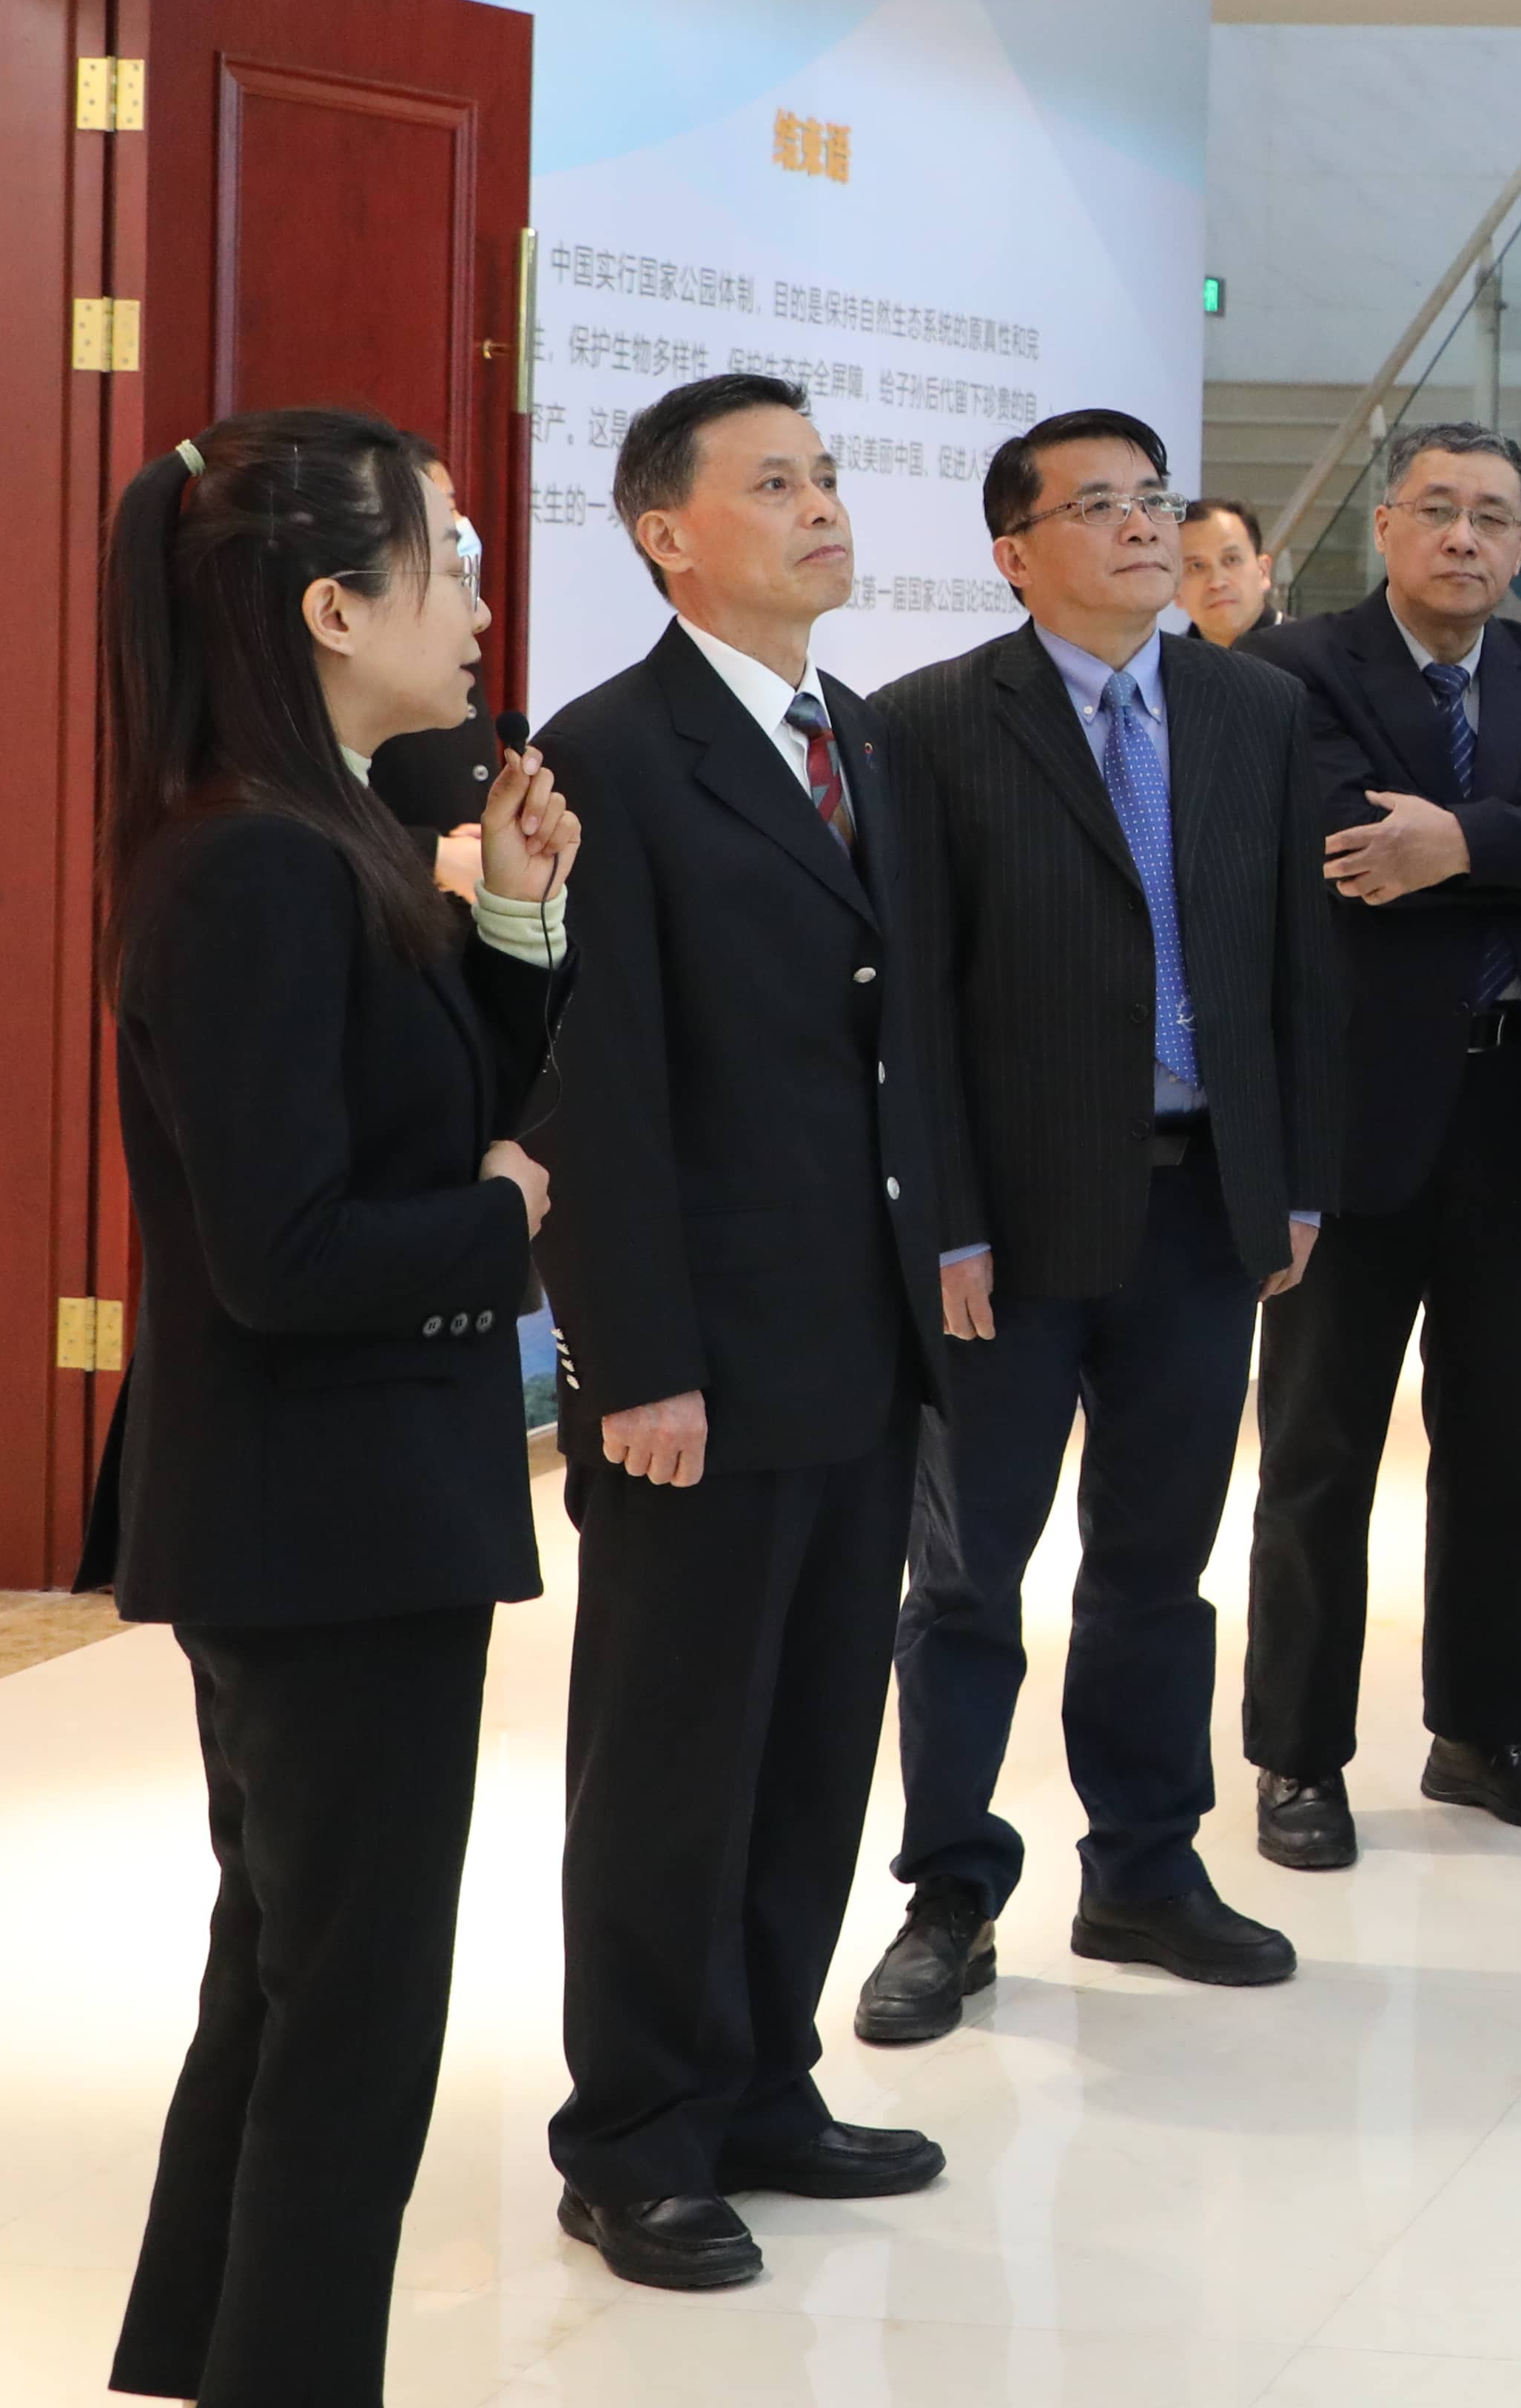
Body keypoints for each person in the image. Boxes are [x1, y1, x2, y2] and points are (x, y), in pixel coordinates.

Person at [84, 414, 571, 2404]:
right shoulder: (254, 866)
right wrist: (502, 1216)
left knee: (291, 1978)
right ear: (333, 610)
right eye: (447, 560)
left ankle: (206, 2359)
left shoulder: (332, 833)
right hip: (322, 1517)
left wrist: (513, 923)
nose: (476, 603)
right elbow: (284, 1253)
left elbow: (433, 1108)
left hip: (349, 1505)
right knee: (349, 2022)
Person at [536, 376, 957, 2292]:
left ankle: (763, 2083)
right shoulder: (611, 754)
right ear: (666, 533)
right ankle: (634, 2132)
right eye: (773, 481)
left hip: (853, 1343)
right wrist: (634, 1360)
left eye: (827, 475)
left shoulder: (852, 733)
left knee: (807, 1742)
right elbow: (595, 1081)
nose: (820, 506)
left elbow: (898, 1042)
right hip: (696, 1362)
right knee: (671, 1759)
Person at [854, 411, 1343, 2039]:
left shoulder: (1253, 708)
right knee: (966, 1575)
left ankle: (1144, 1866)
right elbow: (911, 1001)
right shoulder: (929, 724)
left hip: (1202, 1206)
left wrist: (1294, 1177)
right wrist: (944, 1221)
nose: (1143, 527)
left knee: (1157, 1564)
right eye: (1099, 506)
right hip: (1006, 1224)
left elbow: (1296, 961)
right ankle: (950, 1892)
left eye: (1153, 498)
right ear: (1016, 553)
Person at [1240, 423, 1521, 1863]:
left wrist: (1457, 846)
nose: (1467, 537)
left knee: (1500, 1446)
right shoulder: (1292, 670)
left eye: (1496, 517)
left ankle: (1484, 1732)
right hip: (1352, 1121)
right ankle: (1299, 1758)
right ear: (1386, 528)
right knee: (1319, 1448)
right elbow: (1344, 846)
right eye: (1440, 509)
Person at [1178, 495, 1280, 650]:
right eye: (1197, 566)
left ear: (1263, 571)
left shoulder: (1312, 656)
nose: (1217, 583)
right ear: (1175, 591)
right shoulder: (1163, 662)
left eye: (1231, 560)